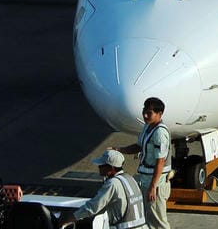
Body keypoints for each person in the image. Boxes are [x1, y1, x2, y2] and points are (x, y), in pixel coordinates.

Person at [117, 97, 172, 229]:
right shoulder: (148, 127)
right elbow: (139, 146)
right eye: (144, 111)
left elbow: (160, 161)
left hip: (156, 184)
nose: (145, 115)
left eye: (150, 113)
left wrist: (153, 187)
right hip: (146, 180)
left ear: (160, 114)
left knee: (158, 221)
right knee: (149, 219)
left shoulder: (160, 133)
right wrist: (119, 149)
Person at [58, 149, 145, 229]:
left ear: (111, 168)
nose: (99, 167)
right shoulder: (130, 179)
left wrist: (70, 219)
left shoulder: (113, 184)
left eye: (101, 165)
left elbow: (93, 207)